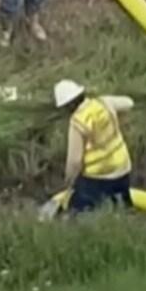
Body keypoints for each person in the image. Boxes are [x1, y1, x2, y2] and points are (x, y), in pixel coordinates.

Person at [53, 79, 135, 214]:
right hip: (123, 168)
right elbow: (129, 103)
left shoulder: (78, 122)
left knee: (78, 208)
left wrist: (68, 183)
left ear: (68, 106)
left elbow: (75, 162)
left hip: (100, 177)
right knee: (123, 207)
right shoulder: (103, 102)